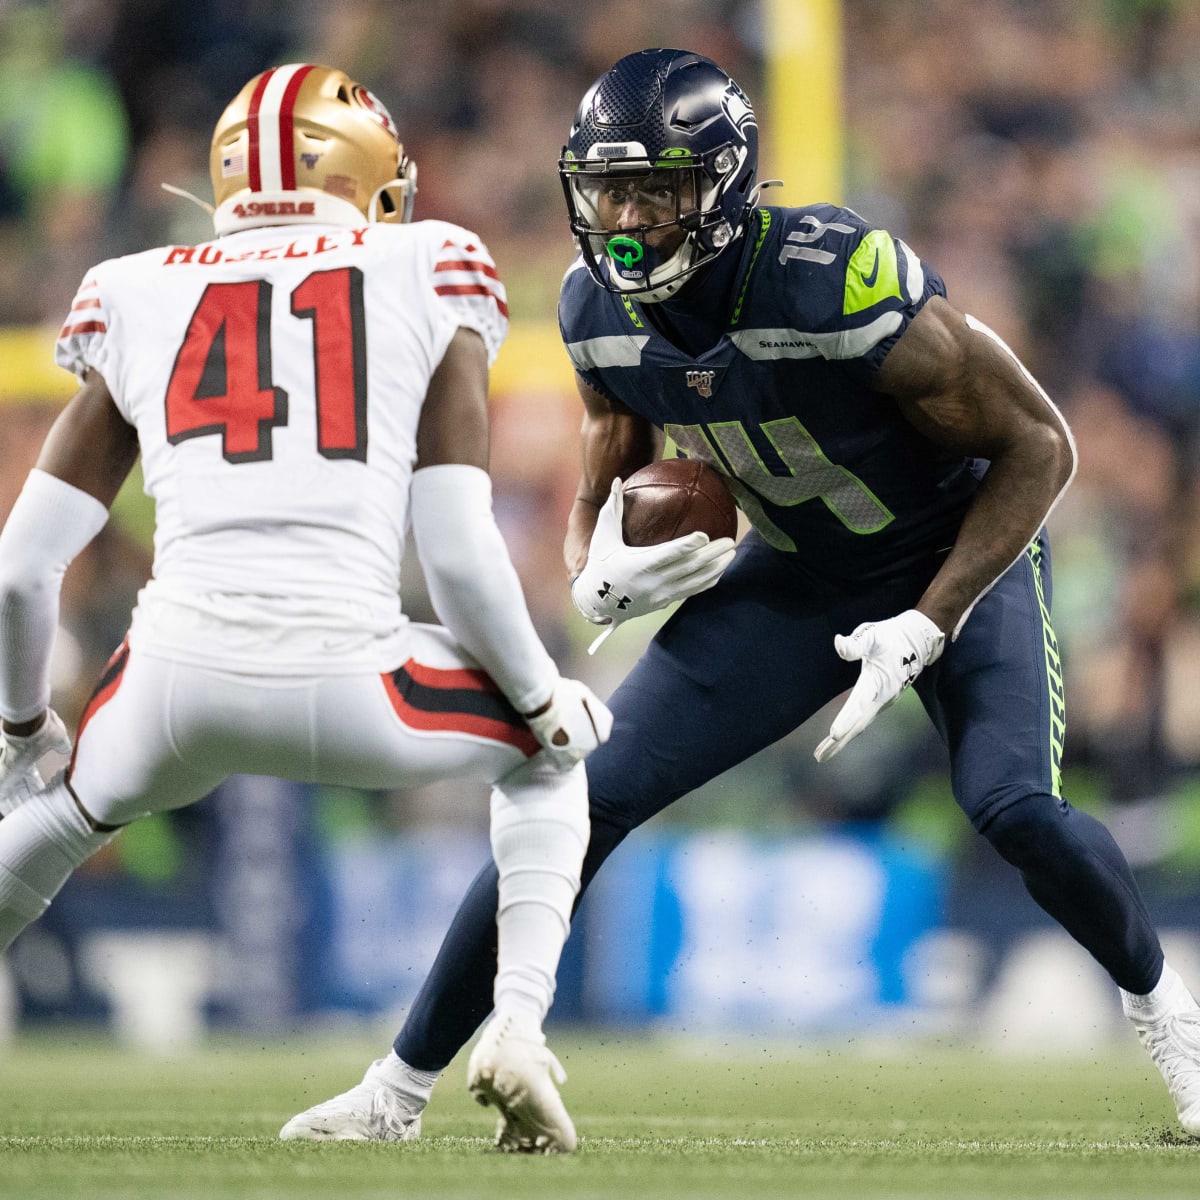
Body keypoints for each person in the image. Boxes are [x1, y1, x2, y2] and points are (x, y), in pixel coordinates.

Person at [282, 48, 1200, 1144]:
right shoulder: (596, 311)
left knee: (1011, 808)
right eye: (607, 188)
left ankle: (1176, 1029)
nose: (625, 216)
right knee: (583, 793)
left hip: (958, 551)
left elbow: (1040, 448)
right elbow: (607, 472)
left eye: (655, 189)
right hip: (805, 570)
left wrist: (930, 620)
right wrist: (596, 560)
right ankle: (394, 1092)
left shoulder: (830, 277)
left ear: (719, 187)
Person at [0, 63, 613, 1155]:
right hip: (353, 678)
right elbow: (460, 552)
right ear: (376, 181)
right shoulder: (430, 261)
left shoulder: (136, 284)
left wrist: (18, 727)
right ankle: (516, 1027)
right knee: (549, 757)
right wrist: (539, 694)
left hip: (167, 686)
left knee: (57, 820)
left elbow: (19, 572)